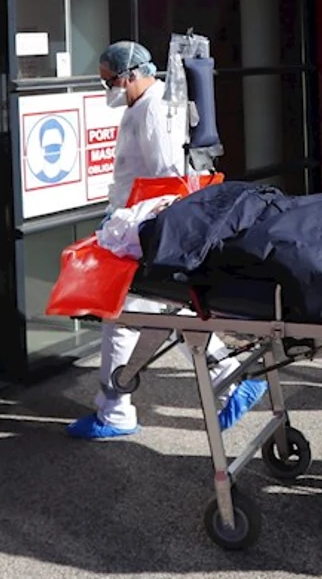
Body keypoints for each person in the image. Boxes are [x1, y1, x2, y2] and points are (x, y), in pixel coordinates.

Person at [65, 40, 267, 440]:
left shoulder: (152, 110)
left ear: (132, 75)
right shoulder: (144, 105)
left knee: (121, 318)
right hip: (138, 228)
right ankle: (232, 374)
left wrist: (134, 230)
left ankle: (115, 411)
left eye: (111, 82)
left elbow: (165, 179)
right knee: (168, 313)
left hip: (141, 232)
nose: (109, 90)